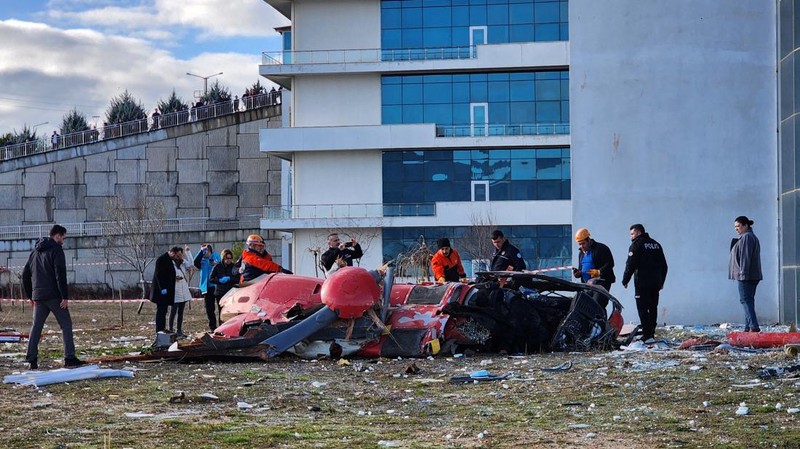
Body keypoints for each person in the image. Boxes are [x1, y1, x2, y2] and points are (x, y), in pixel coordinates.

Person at [22, 224, 85, 370]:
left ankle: (31, 359)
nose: (63, 240)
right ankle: (70, 358)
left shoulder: (34, 252)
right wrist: (64, 296)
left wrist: (31, 296)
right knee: (66, 325)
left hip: (38, 297)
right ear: (57, 235)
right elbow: (60, 274)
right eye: (63, 237)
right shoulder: (57, 250)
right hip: (55, 296)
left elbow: (25, 275)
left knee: (36, 327)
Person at [622, 224, 668, 342]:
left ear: (638, 233)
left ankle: (647, 335)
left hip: (642, 283)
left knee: (642, 308)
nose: (631, 237)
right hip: (655, 283)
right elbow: (664, 266)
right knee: (653, 308)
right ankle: (651, 333)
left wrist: (625, 280)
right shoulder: (656, 245)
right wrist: (661, 281)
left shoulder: (636, 245)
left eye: (632, 234)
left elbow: (630, 264)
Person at [729, 215, 762, 332]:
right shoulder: (748, 237)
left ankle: (754, 327)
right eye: (735, 227)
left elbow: (745, 258)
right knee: (748, 301)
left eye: (738, 226)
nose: (736, 229)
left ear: (745, 225)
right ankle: (748, 328)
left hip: (746, 276)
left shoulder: (747, 238)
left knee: (745, 300)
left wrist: (743, 274)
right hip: (751, 275)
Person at [572, 228, 615, 306]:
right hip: (587, 286)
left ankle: (601, 318)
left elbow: (610, 263)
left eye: (583, 243)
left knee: (597, 306)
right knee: (584, 307)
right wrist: (578, 273)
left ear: (588, 240)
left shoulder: (601, 248)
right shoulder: (581, 253)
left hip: (600, 285)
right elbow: (582, 269)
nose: (582, 246)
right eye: (580, 244)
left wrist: (599, 272)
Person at [150, 246, 184, 334]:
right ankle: (159, 329)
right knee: (161, 311)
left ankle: (162, 328)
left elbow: (167, 273)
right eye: (177, 256)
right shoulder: (161, 259)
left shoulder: (169, 260)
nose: (177, 258)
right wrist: (163, 288)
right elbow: (159, 275)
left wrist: (174, 277)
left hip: (166, 291)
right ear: (173, 252)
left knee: (164, 310)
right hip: (161, 291)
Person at [194, 243, 221, 331]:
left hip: (216, 285)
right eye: (203, 251)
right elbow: (195, 262)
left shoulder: (215, 255)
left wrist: (213, 262)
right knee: (209, 308)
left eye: (206, 251)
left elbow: (218, 262)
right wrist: (200, 252)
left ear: (209, 250)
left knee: (220, 305)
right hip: (206, 287)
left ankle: (222, 324)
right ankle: (212, 326)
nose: (204, 253)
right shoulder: (201, 260)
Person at [210, 249, 238, 326]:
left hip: (230, 292)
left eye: (230, 258)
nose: (229, 260)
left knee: (231, 311)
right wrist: (219, 280)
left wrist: (230, 278)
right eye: (227, 258)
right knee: (221, 311)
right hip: (220, 292)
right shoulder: (217, 266)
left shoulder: (233, 267)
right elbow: (211, 278)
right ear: (223, 258)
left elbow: (238, 278)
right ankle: (221, 327)